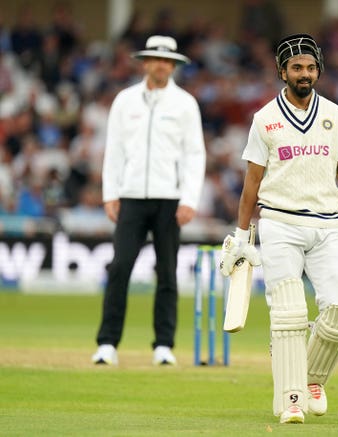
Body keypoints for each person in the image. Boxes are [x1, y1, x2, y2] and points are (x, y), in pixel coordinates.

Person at [219, 33, 338, 424]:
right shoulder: (265, 119)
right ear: (282, 71)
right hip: (279, 223)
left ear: (318, 70)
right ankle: (291, 398)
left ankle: (311, 378)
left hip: (328, 225)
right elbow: (251, 183)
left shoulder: (336, 115)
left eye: (310, 67)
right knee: (288, 314)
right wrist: (241, 236)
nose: (304, 74)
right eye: (296, 68)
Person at [92, 35, 206, 366]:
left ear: (173, 65)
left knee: (167, 272)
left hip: (170, 199)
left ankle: (164, 345)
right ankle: (107, 343)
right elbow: (113, 150)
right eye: (156, 59)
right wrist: (110, 193)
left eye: (167, 61)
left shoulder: (185, 104)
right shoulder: (125, 101)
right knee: (119, 268)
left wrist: (189, 198)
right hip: (130, 197)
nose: (162, 65)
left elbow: (194, 155)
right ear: (146, 62)